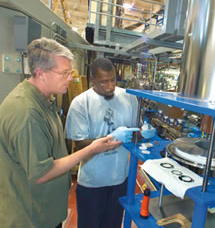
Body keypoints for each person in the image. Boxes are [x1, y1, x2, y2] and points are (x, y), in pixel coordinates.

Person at [0, 38, 121, 228]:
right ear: (41, 73)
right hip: (30, 218)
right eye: (65, 73)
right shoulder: (27, 113)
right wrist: (91, 149)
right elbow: (42, 172)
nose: (71, 78)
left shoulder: (44, 101)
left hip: (44, 212)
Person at [65, 57, 141, 228]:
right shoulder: (81, 103)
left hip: (120, 180)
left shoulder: (129, 98)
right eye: (104, 82)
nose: (110, 86)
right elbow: (80, 145)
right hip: (92, 184)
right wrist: (112, 138)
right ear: (93, 80)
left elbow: (136, 133)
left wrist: (144, 132)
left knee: (113, 224)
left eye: (113, 79)